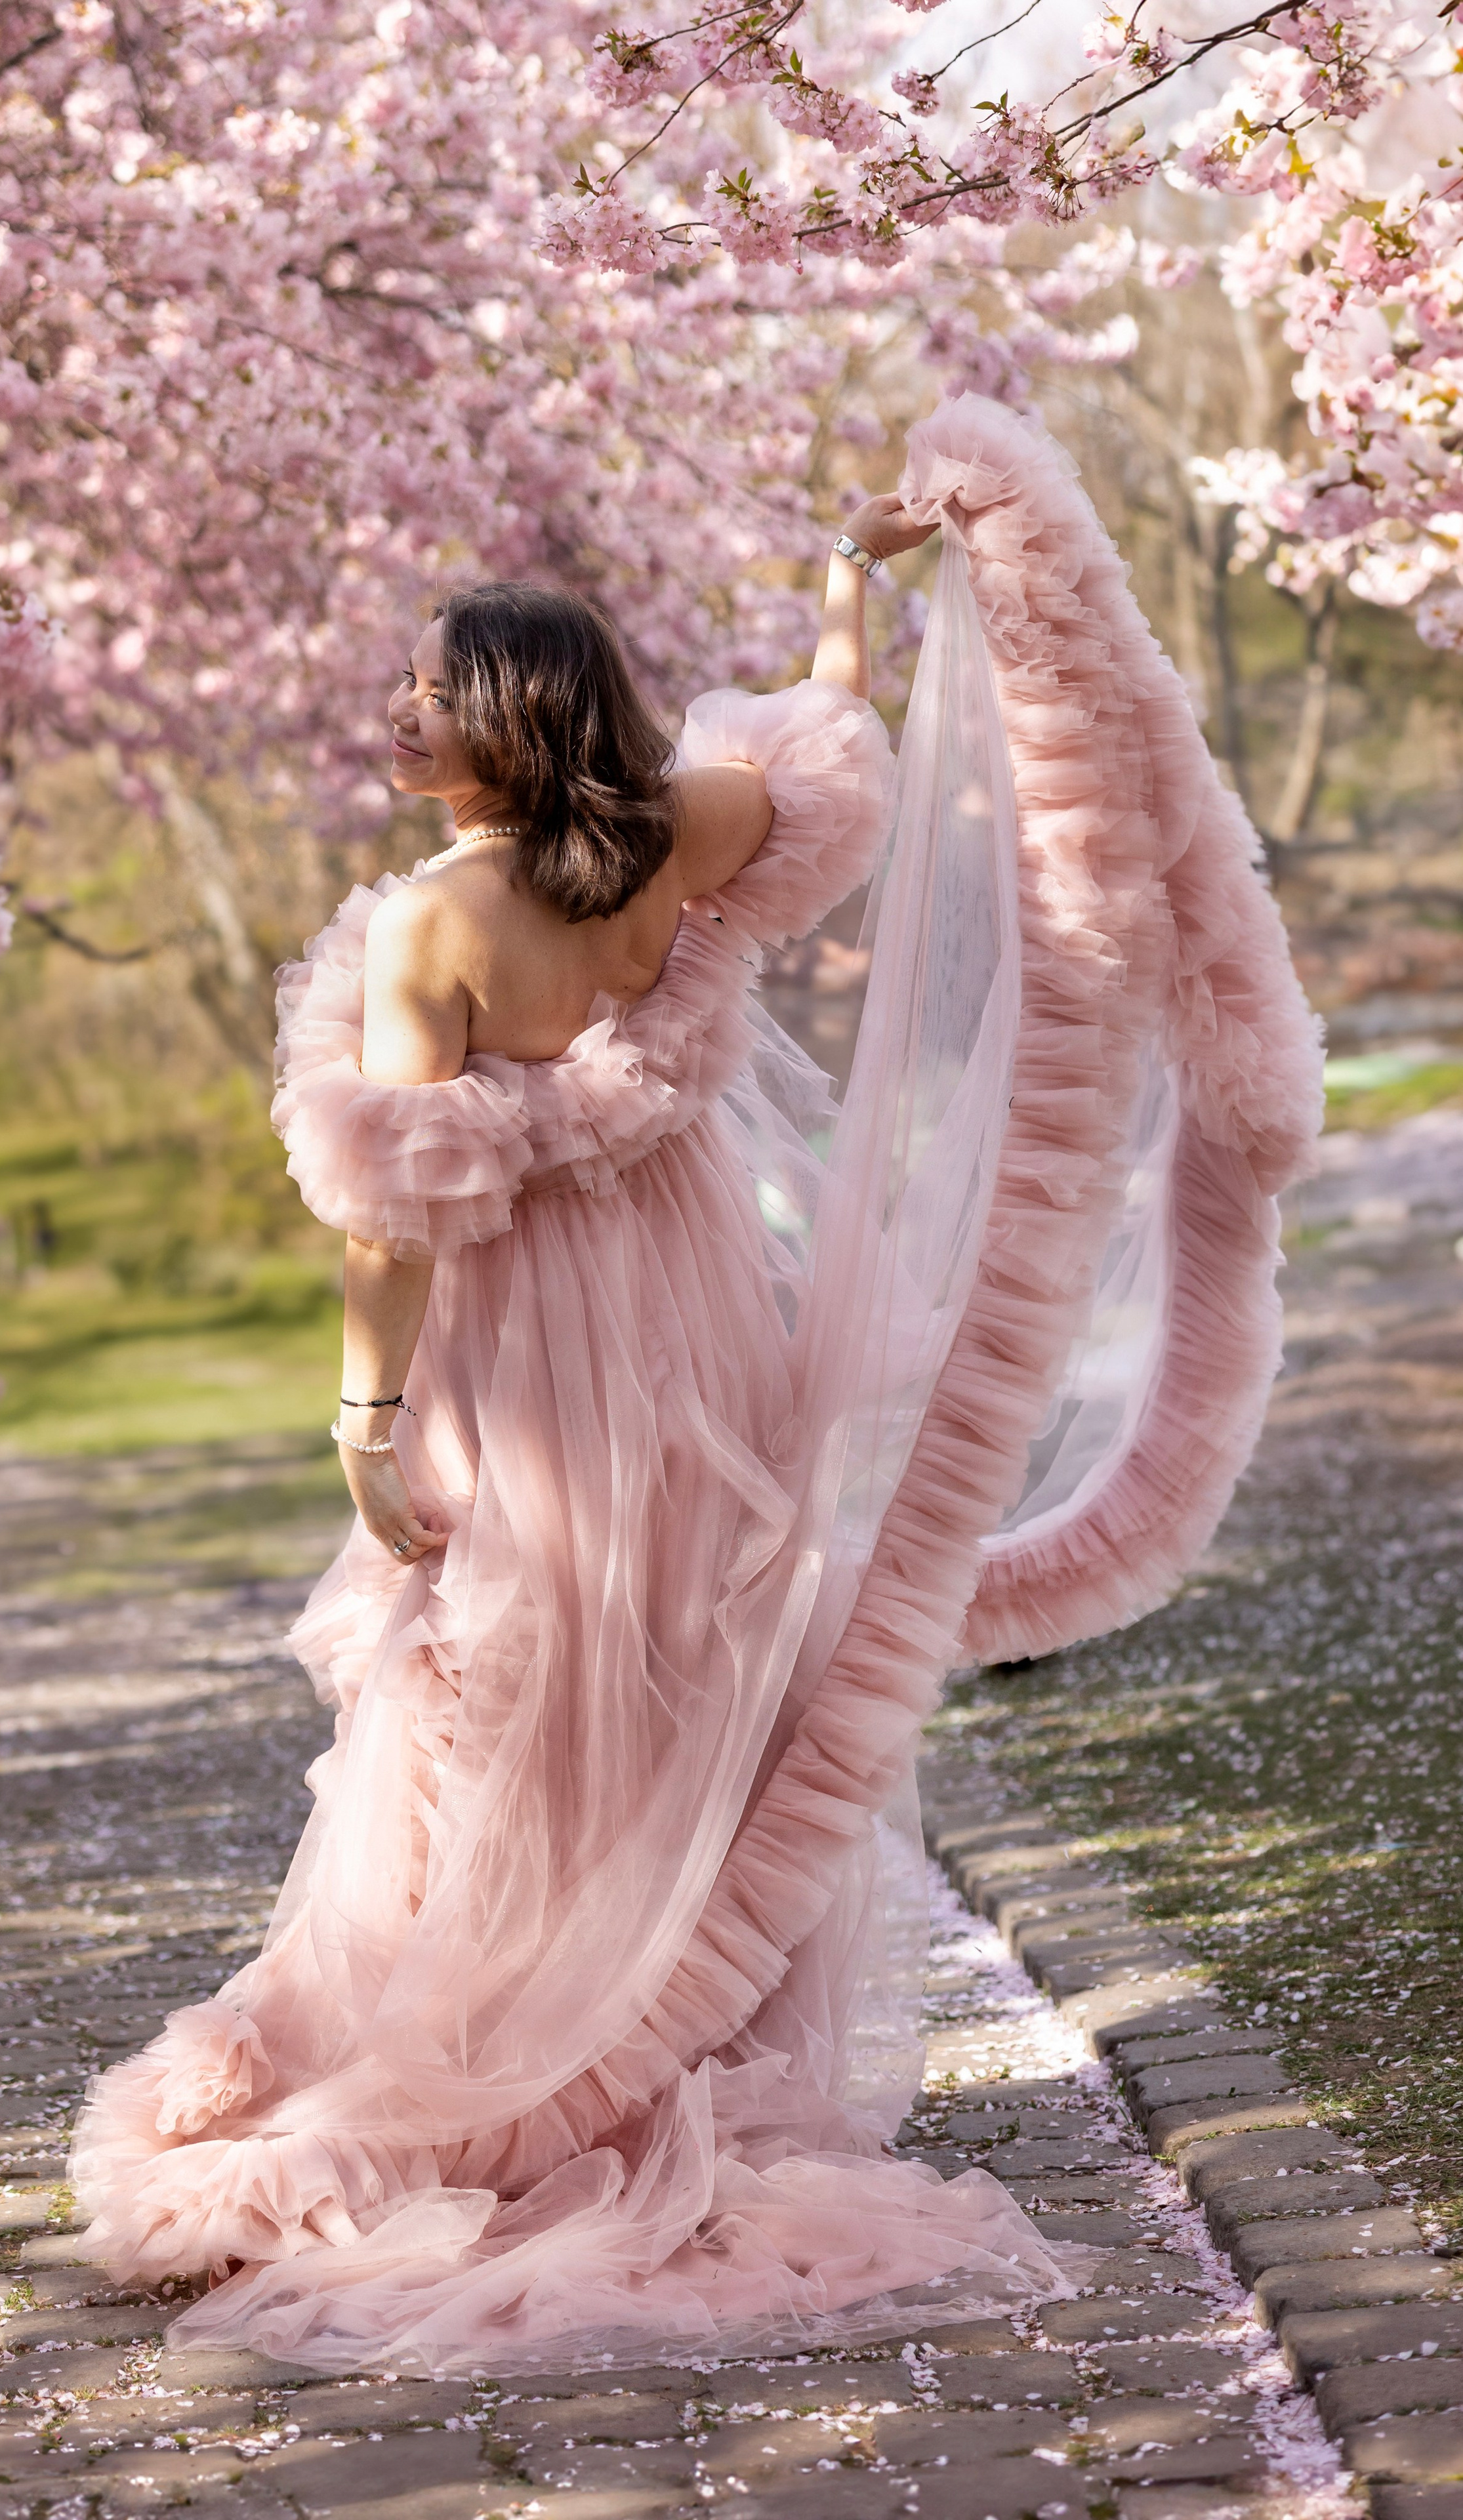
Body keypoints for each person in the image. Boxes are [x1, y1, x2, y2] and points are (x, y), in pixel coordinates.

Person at [72, 394, 1321, 2377]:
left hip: (537, 1345)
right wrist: (851, 583)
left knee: (498, 1688)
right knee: (667, 1658)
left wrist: (366, 1419)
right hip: (696, 1300)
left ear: (506, 717)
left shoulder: (430, 927)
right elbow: (836, 756)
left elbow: (402, 1219)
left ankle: (506, 2056)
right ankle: (661, 2034)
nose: (394, 714)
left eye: (427, 691)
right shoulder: (683, 840)